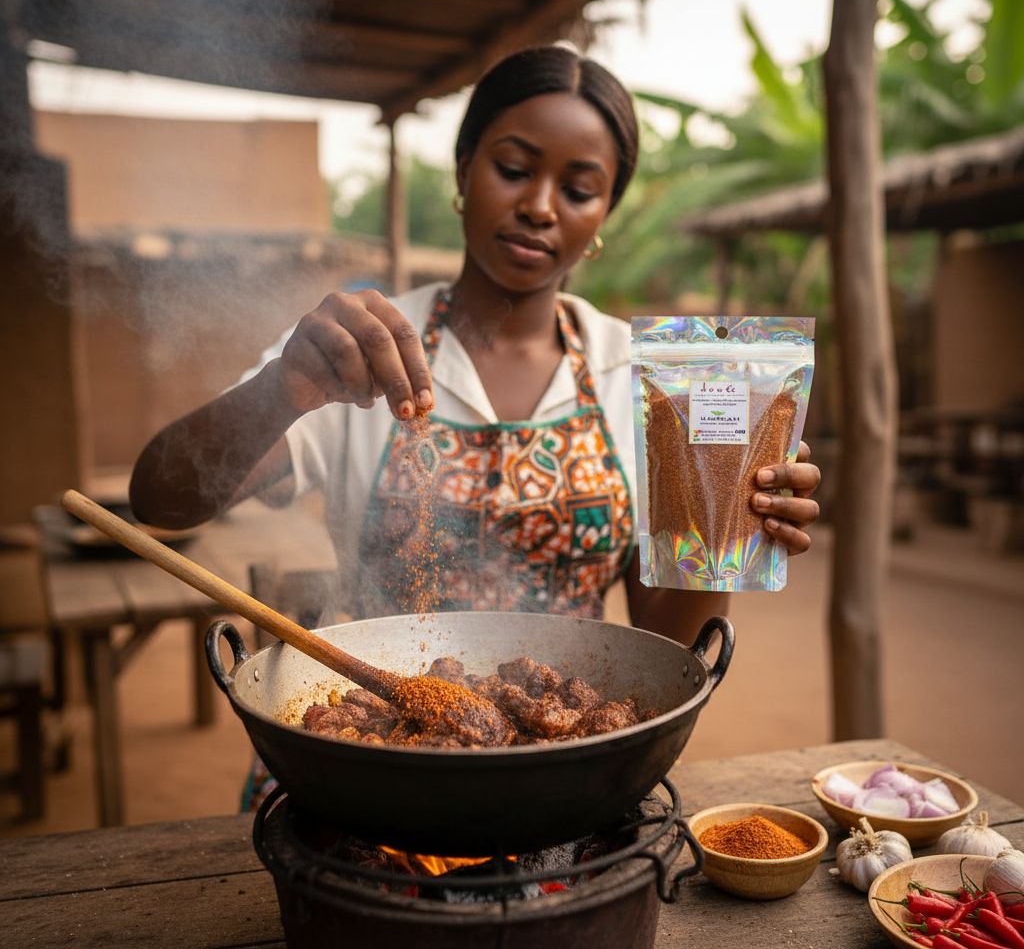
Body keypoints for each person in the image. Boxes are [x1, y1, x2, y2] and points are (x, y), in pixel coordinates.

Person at [130, 42, 820, 724]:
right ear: (464, 172)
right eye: (514, 169)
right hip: (372, 738)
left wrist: (726, 529)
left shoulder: (637, 381)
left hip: (564, 751)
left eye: (579, 190)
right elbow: (159, 501)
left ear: (603, 216)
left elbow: (664, 652)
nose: (541, 206)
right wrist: (282, 389)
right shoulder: (358, 348)